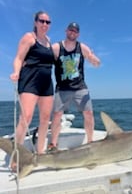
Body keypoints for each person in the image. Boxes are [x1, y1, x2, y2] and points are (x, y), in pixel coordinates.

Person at [49, 22, 100, 151]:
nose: (73, 32)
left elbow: (94, 60)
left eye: (75, 31)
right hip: (62, 88)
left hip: (80, 87)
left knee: (89, 113)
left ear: (78, 34)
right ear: (66, 31)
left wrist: (95, 61)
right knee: (56, 115)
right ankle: (53, 143)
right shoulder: (56, 47)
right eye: (70, 30)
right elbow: (43, 60)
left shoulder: (82, 47)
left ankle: (90, 141)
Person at [10, 11, 55, 154]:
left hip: (46, 82)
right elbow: (18, 58)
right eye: (42, 21)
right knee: (26, 118)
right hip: (30, 80)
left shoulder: (49, 41)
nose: (45, 24)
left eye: (48, 22)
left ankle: (40, 152)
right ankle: (17, 156)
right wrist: (16, 72)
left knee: (45, 118)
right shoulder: (29, 37)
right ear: (35, 22)